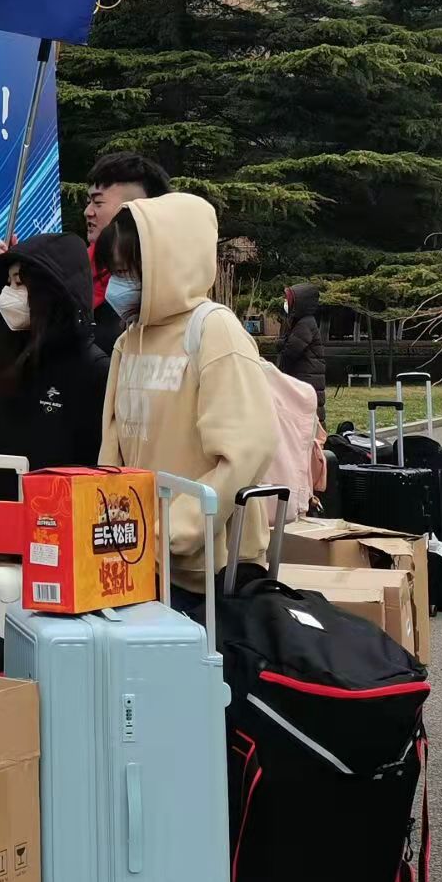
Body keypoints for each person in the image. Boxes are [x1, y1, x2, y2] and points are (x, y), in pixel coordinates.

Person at [94, 194, 277, 601]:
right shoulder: (129, 341)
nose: (118, 286)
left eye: (127, 271)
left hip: (211, 571)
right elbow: (113, 450)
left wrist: (176, 530)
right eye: (115, 272)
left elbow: (247, 450)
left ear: (166, 264)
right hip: (139, 560)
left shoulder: (215, 331)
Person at [0, 234, 111, 500]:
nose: (9, 293)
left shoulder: (91, 367)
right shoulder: (2, 352)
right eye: (8, 283)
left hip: (57, 512)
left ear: (51, 291)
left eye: (19, 283)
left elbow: (99, 462)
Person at [83, 151, 171, 354]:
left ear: (137, 208)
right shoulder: (75, 275)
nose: (88, 212)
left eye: (98, 203)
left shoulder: (172, 300)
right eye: (88, 202)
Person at [276, 283, 328, 424]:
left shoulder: (305, 324)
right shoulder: (300, 323)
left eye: (287, 300)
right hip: (306, 381)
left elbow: (290, 352)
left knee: (309, 422)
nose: (285, 303)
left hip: (306, 381)